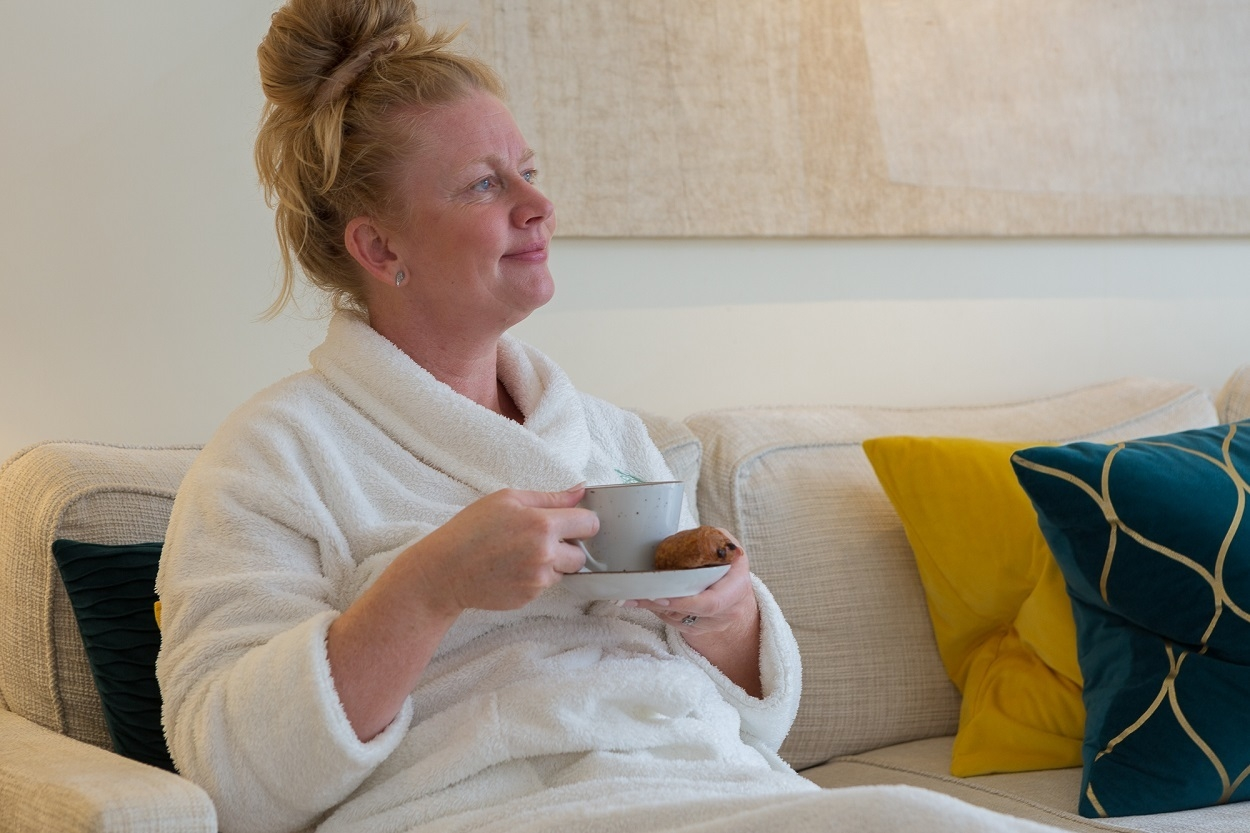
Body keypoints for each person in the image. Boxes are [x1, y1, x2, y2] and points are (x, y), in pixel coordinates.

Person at [155, 2, 1065, 832]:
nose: (539, 204)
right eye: (483, 184)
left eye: (530, 171)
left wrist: (726, 613)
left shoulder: (608, 433)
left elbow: (761, 716)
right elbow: (232, 774)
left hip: (709, 787)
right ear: (379, 245)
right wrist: (429, 586)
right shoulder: (273, 457)